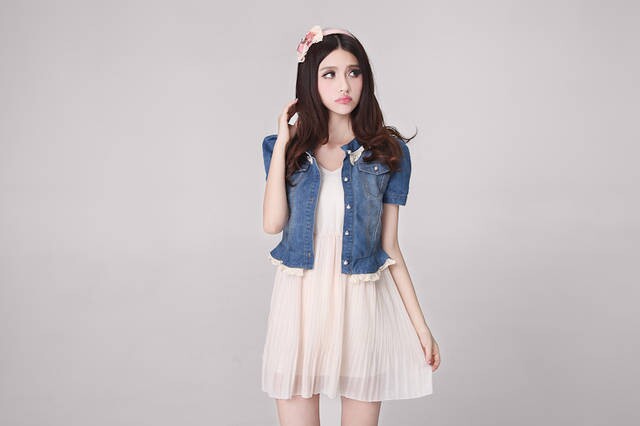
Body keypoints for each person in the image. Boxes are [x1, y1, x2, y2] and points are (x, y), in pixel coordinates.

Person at [260, 25, 440, 426]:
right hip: (300, 307)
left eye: (353, 72)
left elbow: (390, 247)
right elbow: (272, 224)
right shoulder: (283, 150)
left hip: (360, 308)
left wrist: (420, 326)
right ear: (310, 82)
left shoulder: (388, 153)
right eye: (330, 74)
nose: (344, 85)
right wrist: (284, 141)